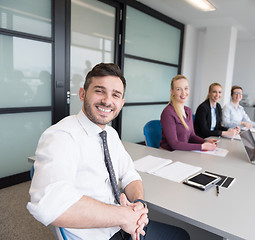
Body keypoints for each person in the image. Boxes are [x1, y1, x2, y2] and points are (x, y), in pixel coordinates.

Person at [27, 63, 190, 240]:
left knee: (181, 235)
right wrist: (124, 216)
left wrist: (138, 204)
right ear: (82, 94)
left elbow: (129, 174)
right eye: (99, 91)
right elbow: (49, 204)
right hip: (98, 235)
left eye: (115, 95)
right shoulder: (62, 136)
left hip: (125, 225)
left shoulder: (110, 134)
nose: (107, 100)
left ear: (122, 103)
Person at [160, 75, 218, 151]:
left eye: (186, 88)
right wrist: (202, 146)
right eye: (178, 89)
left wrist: (205, 141)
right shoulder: (168, 113)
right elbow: (174, 144)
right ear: (172, 92)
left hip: (183, 152)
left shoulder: (188, 111)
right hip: (169, 153)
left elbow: (191, 136)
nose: (183, 93)